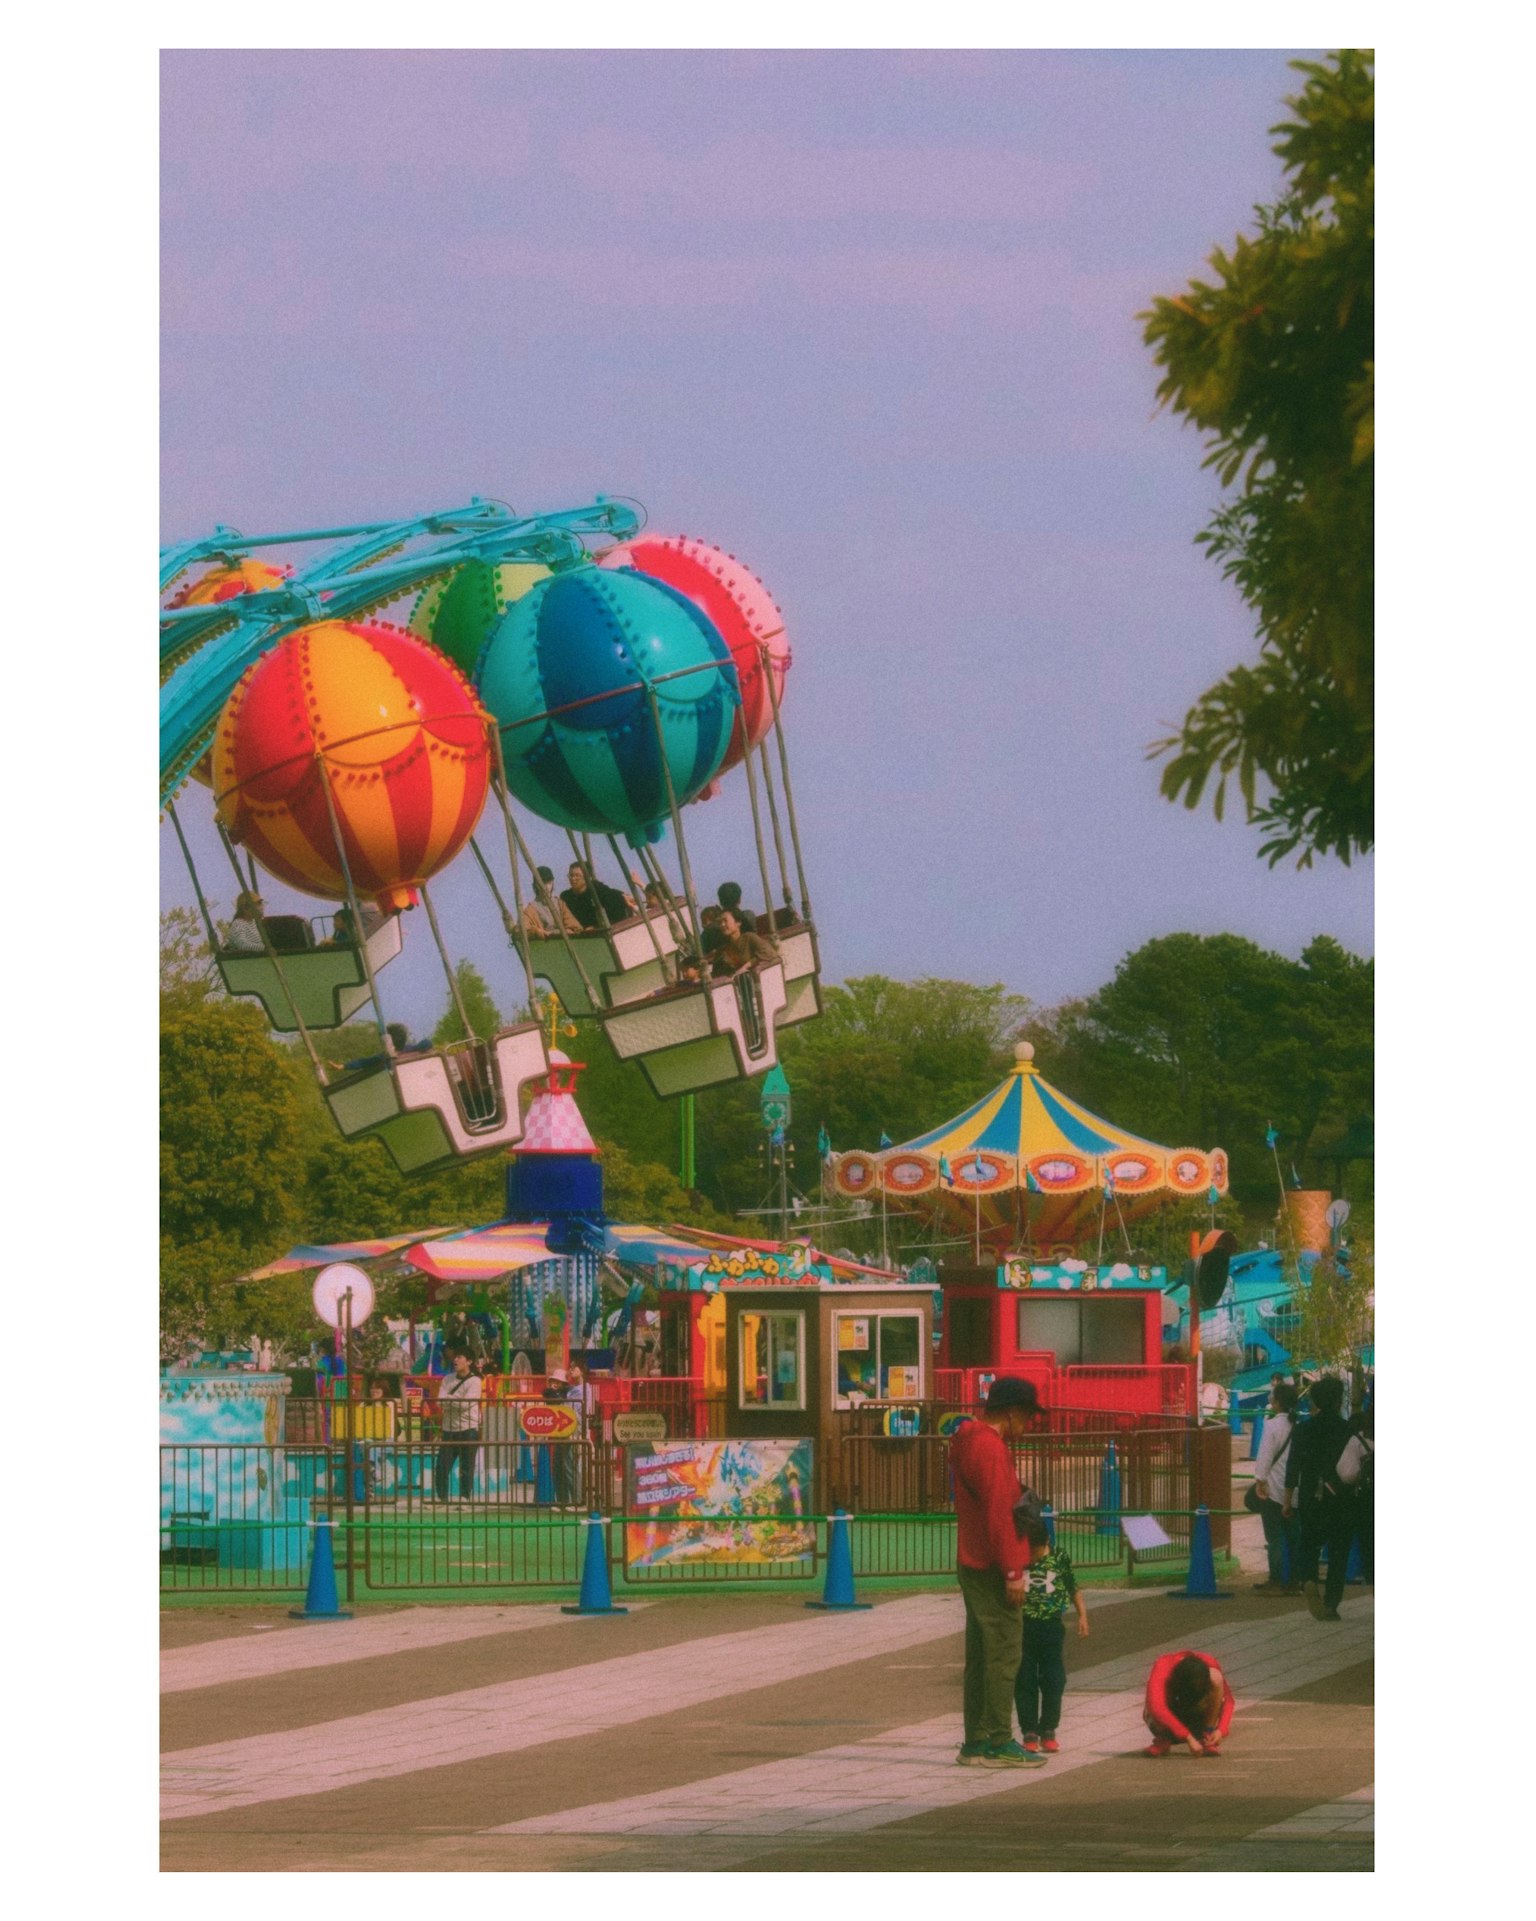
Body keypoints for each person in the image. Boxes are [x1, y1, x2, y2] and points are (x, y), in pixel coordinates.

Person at [951, 1377, 1048, 1768]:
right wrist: (1013, 1572)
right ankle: (999, 1741)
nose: (1029, 1423)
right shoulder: (991, 1449)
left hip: (971, 1560)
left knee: (979, 1655)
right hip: (994, 1565)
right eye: (1027, 1414)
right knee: (1005, 1654)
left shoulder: (967, 1439)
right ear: (1010, 1412)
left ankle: (975, 1741)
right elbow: (998, 1515)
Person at [1283, 1373, 1356, 1620]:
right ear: (1338, 1401)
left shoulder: (1303, 1430)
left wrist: (1287, 1500)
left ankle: (1309, 1579)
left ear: (1314, 1401)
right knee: (1338, 1551)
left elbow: (1292, 1467)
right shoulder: (1347, 1430)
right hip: (1341, 1497)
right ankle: (1331, 1603)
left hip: (1310, 1496)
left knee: (1309, 1543)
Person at [1015, 1517, 1089, 1754]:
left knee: (1054, 1679)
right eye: (1028, 1551)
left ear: (1046, 1541)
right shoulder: (1018, 1559)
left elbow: (1073, 1587)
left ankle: (1048, 1729)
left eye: (1035, 1551)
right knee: (1025, 1679)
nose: (1032, 1557)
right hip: (1024, 1627)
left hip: (1051, 1627)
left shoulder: (1059, 1557)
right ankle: (1029, 1730)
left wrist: (1082, 1615)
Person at [1251, 1382, 1302, 1594]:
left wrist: (1260, 1480)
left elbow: (1264, 1457)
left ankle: (1276, 1580)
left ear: (1278, 1402)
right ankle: (1295, 1581)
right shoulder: (1298, 1426)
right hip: (1294, 1489)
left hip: (1273, 1489)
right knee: (1294, 1537)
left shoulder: (1271, 1426)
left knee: (1274, 1538)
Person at [1143, 1651, 1235, 1756]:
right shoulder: (1163, 1666)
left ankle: (1207, 1736)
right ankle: (1163, 1738)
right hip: (1171, 1710)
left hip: (1197, 1715)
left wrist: (1220, 1730)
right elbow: (1156, 1708)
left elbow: (1228, 1701)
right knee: (1155, 1699)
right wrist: (1188, 1737)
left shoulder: (1210, 1662)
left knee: (1216, 1677)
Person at [434, 1351, 482, 1501]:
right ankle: (442, 1497)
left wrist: (448, 1399)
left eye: (459, 1357)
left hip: (468, 1429)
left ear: (469, 1361)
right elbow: (439, 1402)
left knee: (466, 1467)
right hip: (449, 1429)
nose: (455, 1360)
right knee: (441, 1466)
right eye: (455, 1357)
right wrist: (455, 1400)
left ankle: (464, 1497)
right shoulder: (447, 1379)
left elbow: (466, 1404)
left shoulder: (475, 1381)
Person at [560, 862, 633, 931]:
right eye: (571, 875)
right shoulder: (565, 897)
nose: (573, 879)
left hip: (600, 931)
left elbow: (616, 898)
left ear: (587, 877)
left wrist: (596, 927)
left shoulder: (598, 890)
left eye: (577, 876)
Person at [708, 908, 777, 979]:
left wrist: (746, 966)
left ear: (738, 922)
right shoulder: (722, 950)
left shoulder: (749, 937)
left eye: (725, 921)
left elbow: (769, 953)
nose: (722, 925)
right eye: (720, 922)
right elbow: (716, 974)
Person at [523, 865, 582, 937]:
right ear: (536, 885)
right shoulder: (530, 909)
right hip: (545, 942)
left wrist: (569, 930)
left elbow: (575, 926)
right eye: (543, 883)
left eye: (549, 883)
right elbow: (523, 929)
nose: (546, 887)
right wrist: (535, 931)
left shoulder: (560, 904)